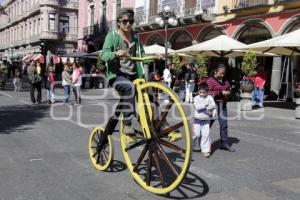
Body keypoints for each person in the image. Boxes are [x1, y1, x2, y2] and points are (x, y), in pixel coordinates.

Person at [101, 7, 145, 135]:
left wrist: (154, 57)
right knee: (129, 88)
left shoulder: (135, 36)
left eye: (131, 21)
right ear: (118, 22)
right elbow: (104, 54)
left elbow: (141, 54)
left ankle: (157, 122)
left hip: (134, 74)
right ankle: (127, 124)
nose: (128, 24)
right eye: (125, 21)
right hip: (117, 76)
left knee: (148, 91)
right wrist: (115, 54)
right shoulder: (112, 36)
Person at [207, 64, 235, 152]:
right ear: (216, 71)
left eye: (224, 73)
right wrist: (220, 92)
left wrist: (229, 92)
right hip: (213, 105)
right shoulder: (210, 80)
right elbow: (207, 93)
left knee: (224, 125)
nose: (222, 75)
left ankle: (225, 144)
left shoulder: (225, 80)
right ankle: (203, 143)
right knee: (208, 125)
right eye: (221, 73)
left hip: (223, 104)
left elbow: (228, 88)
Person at [193, 82, 216, 158]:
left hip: (206, 120)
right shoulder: (196, 98)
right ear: (198, 91)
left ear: (207, 92)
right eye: (200, 92)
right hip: (197, 120)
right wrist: (206, 105)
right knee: (196, 135)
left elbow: (213, 105)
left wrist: (212, 111)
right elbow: (197, 107)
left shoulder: (209, 97)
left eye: (204, 92)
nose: (202, 94)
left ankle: (205, 151)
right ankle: (191, 146)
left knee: (206, 135)